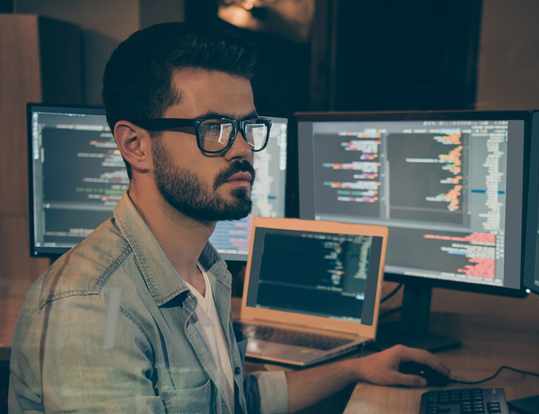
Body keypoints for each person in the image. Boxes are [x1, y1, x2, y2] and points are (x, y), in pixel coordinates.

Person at [8, 22, 449, 413]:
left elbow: (235, 400)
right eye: (213, 129)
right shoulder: (90, 307)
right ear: (135, 145)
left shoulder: (207, 269)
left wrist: (355, 369)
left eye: (247, 128)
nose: (241, 149)